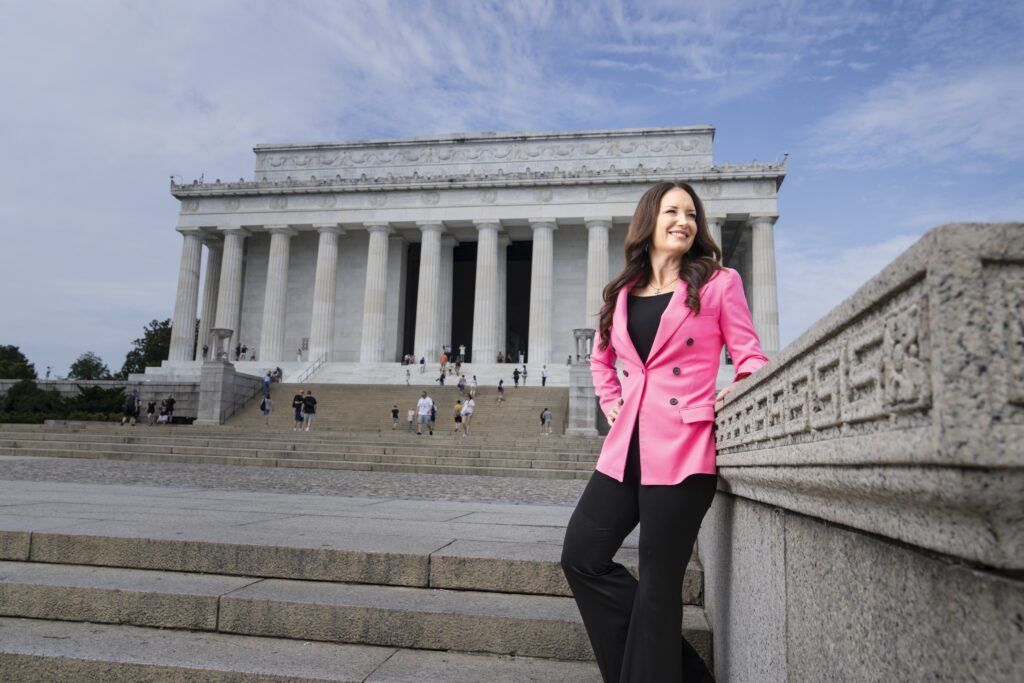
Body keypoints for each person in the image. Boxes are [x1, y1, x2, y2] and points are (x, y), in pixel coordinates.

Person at [560, 181, 767, 682]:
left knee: (658, 584)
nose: (684, 221)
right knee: (581, 557)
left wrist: (732, 394)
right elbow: (601, 360)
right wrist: (613, 404)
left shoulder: (719, 283)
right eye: (672, 210)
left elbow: (750, 356)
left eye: (692, 214)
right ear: (649, 220)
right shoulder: (622, 293)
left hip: (684, 446)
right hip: (626, 447)